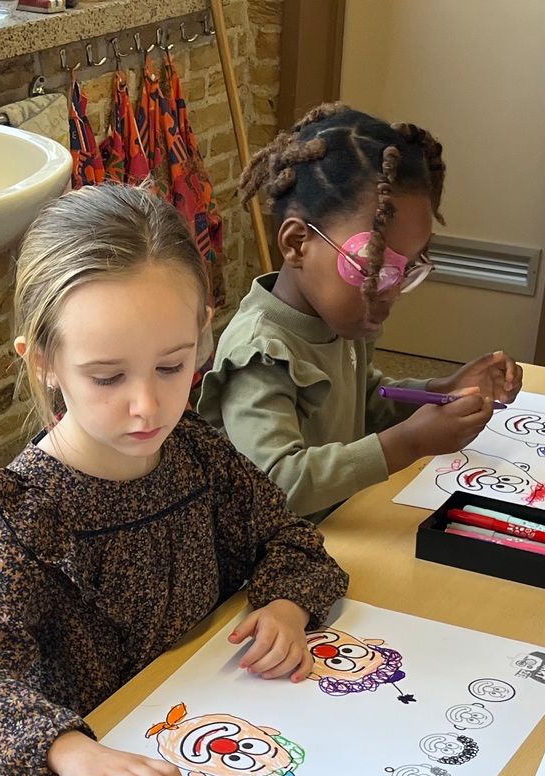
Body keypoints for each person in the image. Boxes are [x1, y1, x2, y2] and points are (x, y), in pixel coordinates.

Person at [0, 183, 350, 776]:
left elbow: (290, 537)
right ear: (43, 361)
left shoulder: (194, 453)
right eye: (108, 377)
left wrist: (286, 608)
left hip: (206, 736)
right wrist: (70, 750)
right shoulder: (26, 519)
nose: (147, 406)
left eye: (171, 367)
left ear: (202, 334)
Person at [196, 104, 526, 520]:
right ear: (297, 244)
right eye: (373, 268)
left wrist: (443, 389)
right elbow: (275, 484)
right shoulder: (260, 355)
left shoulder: (337, 322)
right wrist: (408, 443)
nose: (391, 292)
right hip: (275, 553)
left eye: (406, 270)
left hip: (340, 526)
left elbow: (364, 402)